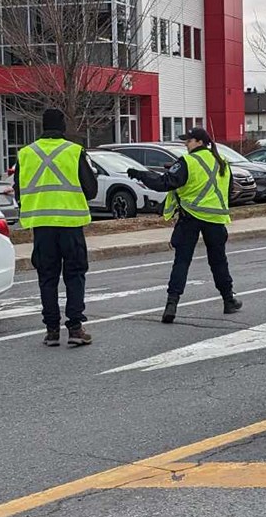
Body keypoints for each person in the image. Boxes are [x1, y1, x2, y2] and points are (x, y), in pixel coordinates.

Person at [127, 128, 241, 324]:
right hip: (215, 219)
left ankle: (171, 305)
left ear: (198, 142)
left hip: (190, 218)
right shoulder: (221, 160)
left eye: (188, 141)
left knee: (181, 262)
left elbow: (165, 183)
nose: (185, 145)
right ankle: (228, 300)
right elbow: (229, 189)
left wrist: (141, 175)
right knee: (219, 261)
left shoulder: (187, 161)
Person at [12, 108, 99, 347]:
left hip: (41, 226)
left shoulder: (26, 153)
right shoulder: (73, 151)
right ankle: (75, 328)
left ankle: (51, 331)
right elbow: (91, 190)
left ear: (42, 127)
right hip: (70, 225)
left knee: (47, 278)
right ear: (62, 128)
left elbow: (18, 190)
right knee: (75, 275)